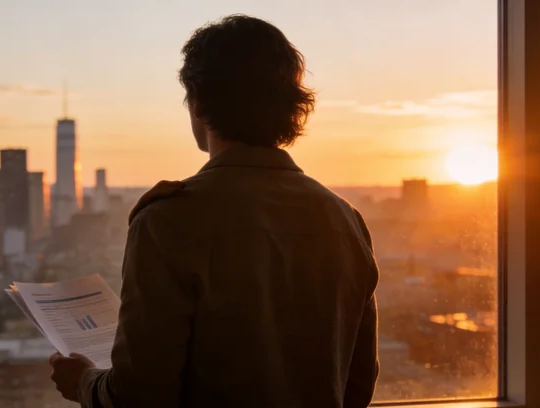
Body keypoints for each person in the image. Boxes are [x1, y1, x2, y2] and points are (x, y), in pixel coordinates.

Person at [49, 14, 380, 408]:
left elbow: (138, 396)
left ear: (199, 102)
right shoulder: (344, 220)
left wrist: (84, 381)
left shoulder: (167, 221)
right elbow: (359, 384)